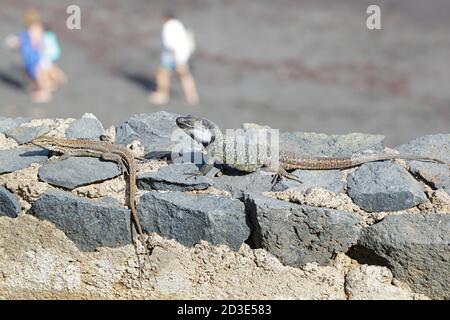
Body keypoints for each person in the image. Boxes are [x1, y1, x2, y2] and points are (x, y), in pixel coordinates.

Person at [149, 11, 199, 106]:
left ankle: (163, 95)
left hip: (172, 56)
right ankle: (192, 96)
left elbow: (170, 44)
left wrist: (175, 58)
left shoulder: (168, 26)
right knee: (184, 75)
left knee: (162, 74)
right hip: (183, 55)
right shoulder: (179, 25)